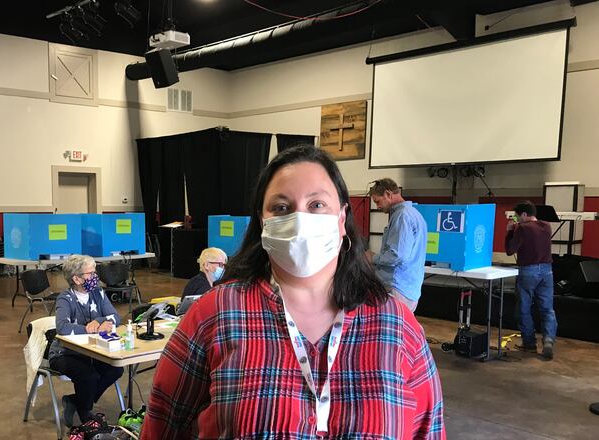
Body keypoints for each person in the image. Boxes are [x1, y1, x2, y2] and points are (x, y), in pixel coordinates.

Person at [140, 146, 444, 439]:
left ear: (341, 219)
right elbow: (162, 424)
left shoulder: (396, 324)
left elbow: (429, 430)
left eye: (317, 205)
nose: (300, 220)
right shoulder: (215, 314)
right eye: (282, 208)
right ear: (262, 221)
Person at [48, 254, 124, 427]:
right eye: (91, 273)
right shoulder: (65, 299)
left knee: (115, 369)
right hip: (64, 353)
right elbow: (62, 327)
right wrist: (86, 329)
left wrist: (99, 321)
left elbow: (116, 317)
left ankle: (76, 401)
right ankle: (86, 415)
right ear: (76, 278)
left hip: (93, 350)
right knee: (89, 376)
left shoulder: (98, 293)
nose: (95, 276)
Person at [505, 201, 557, 360]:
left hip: (528, 271)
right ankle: (548, 340)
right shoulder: (547, 226)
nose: (517, 220)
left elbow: (509, 250)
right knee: (547, 308)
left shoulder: (522, 228)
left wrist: (509, 232)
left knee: (524, 307)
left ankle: (529, 343)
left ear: (524, 215)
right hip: (547, 271)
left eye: (517, 216)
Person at [369, 178, 428, 312]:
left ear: (388, 194)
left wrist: (372, 258)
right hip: (409, 288)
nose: (377, 206)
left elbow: (397, 255)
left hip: (397, 288)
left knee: (389, 331)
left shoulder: (402, 216)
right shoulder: (415, 215)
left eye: (378, 201)